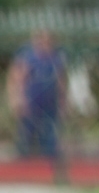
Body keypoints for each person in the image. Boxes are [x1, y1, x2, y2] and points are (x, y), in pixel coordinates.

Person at [8, 28, 66, 161]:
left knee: (50, 136)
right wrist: (18, 99)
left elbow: (60, 82)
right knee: (27, 134)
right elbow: (18, 79)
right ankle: (24, 164)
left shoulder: (55, 59)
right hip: (31, 102)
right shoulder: (28, 57)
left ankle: (49, 167)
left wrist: (63, 102)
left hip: (50, 103)